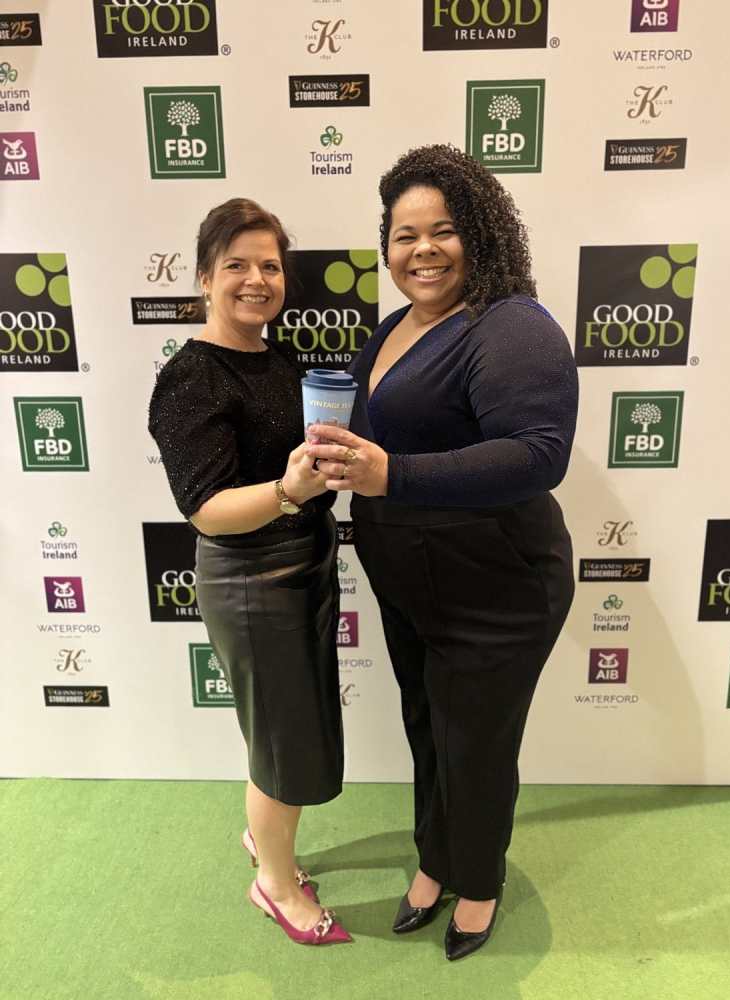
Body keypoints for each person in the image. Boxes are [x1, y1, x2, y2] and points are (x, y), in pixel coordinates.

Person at [307, 145, 578, 961]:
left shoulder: (510, 323)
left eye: (444, 230)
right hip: (412, 581)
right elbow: (381, 434)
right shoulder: (395, 327)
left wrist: (393, 472)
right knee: (428, 726)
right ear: (386, 246)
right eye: (403, 234)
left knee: (477, 742)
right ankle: (435, 862)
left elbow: (538, 453)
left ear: (482, 234)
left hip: (495, 585)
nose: (421, 249)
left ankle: (479, 881)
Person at [148, 198, 351, 946]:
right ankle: (274, 883)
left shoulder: (279, 358)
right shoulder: (190, 378)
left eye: (269, 265)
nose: (256, 279)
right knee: (282, 740)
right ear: (204, 276)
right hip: (249, 578)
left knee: (282, 728)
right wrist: (291, 490)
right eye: (236, 264)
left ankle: (265, 841)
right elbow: (205, 509)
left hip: (303, 565)